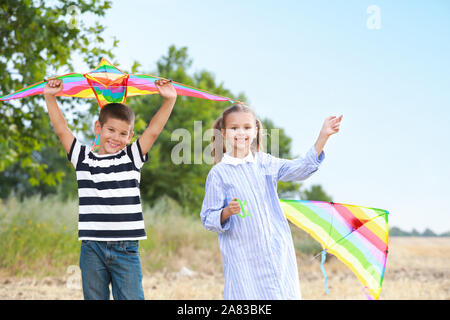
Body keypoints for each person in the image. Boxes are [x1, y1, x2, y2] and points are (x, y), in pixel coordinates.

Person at [43, 78, 177, 299]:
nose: (116, 137)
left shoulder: (132, 157)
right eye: (111, 130)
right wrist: (50, 96)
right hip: (92, 248)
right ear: (98, 127)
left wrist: (169, 100)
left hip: (126, 249)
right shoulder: (82, 158)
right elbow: (61, 129)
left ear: (130, 136)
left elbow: (153, 131)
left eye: (123, 133)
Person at [200, 103, 342, 299]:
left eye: (247, 127)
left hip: (277, 251)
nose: (241, 133)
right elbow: (208, 218)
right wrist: (226, 212)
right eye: (234, 128)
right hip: (244, 259)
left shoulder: (265, 163)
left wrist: (323, 137)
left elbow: (300, 168)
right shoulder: (219, 174)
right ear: (223, 133)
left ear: (256, 130)